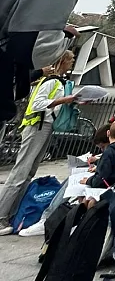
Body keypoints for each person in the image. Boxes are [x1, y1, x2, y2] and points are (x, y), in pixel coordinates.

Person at [0, 49, 76, 233]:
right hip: (38, 126)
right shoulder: (51, 82)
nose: (72, 63)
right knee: (20, 173)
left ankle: (11, 215)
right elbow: (36, 104)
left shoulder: (58, 82)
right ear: (63, 61)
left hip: (45, 126)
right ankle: (1, 216)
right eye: (71, 59)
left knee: (28, 173)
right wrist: (62, 101)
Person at [85, 117, 115, 187]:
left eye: (103, 147)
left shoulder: (109, 152)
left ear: (108, 133)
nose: (102, 150)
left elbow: (99, 180)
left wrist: (88, 181)